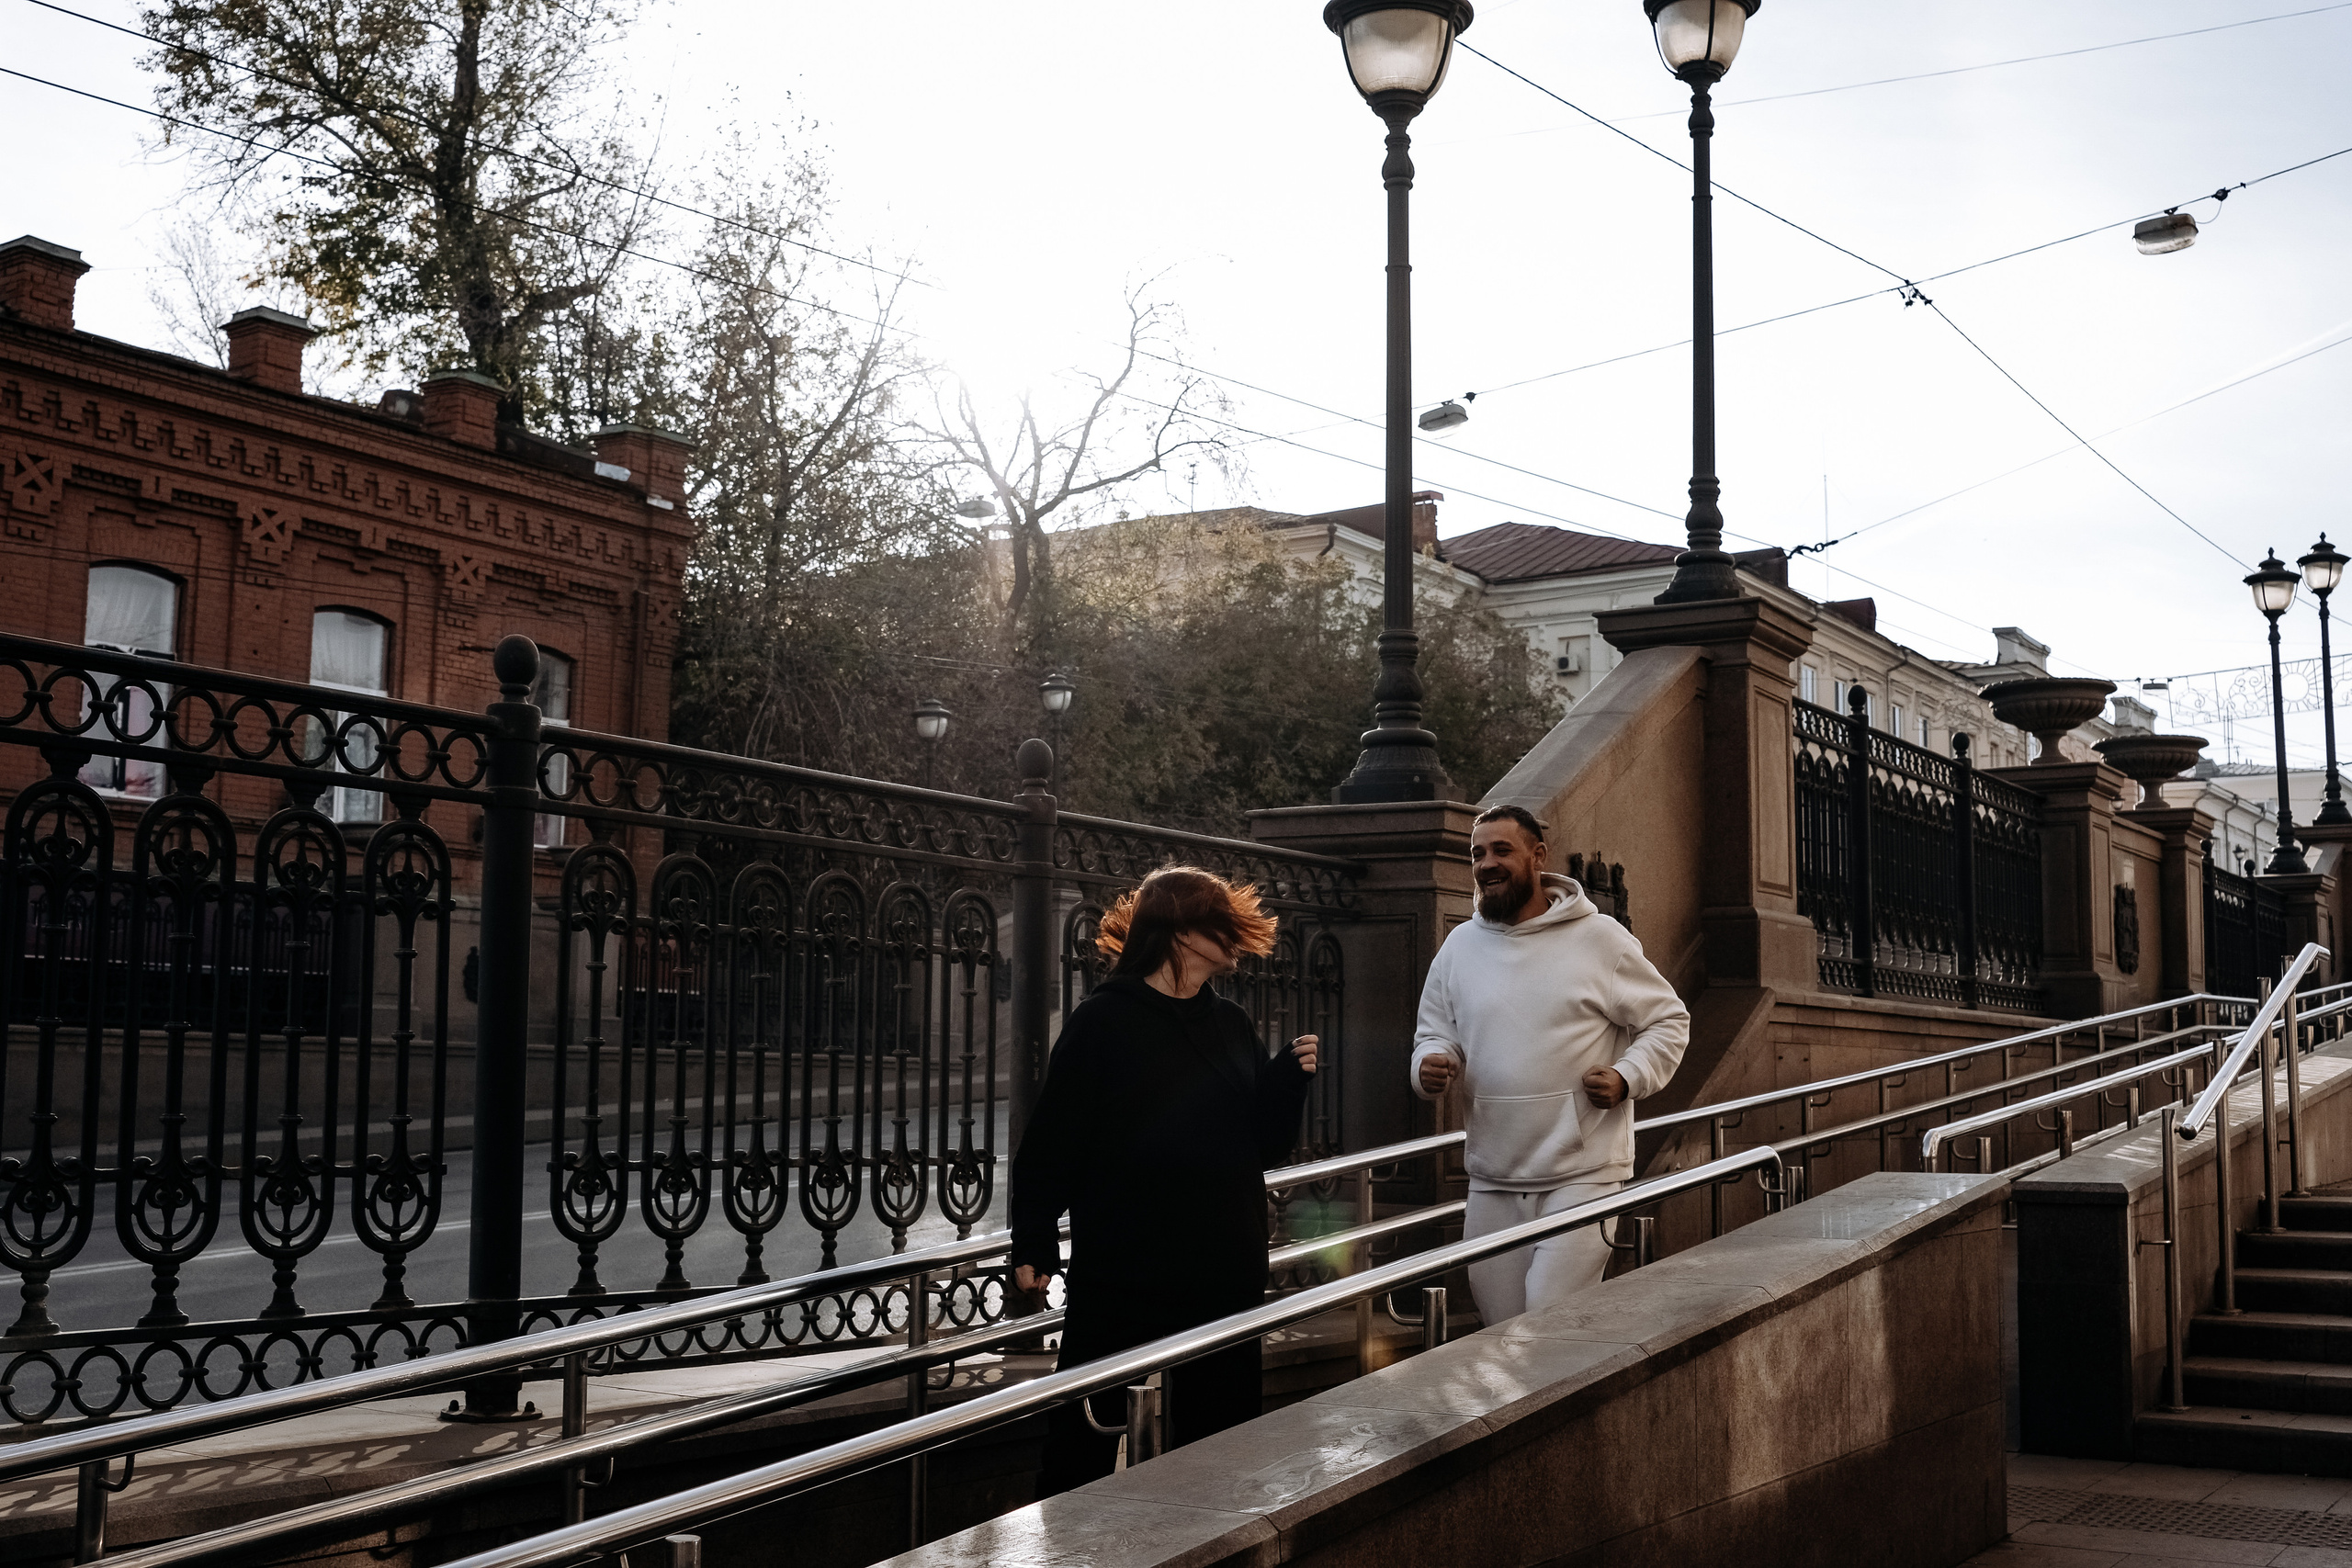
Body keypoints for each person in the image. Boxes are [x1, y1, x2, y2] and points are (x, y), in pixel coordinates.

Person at [1009, 865, 1319, 1496]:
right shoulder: (1102, 1023)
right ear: (1178, 931)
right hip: (1126, 1280)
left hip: (1222, 1281)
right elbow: (1051, 1144)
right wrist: (1033, 1241)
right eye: (1219, 922)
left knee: (1218, 1463)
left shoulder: (1230, 1023)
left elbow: (1260, 1145)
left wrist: (1287, 1083)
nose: (1235, 935)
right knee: (1079, 1457)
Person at [1409, 804, 1689, 1326]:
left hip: (1584, 1173)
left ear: (1538, 857)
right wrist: (1430, 1063)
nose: (1486, 863)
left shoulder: (1600, 939)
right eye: (1477, 853)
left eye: (1501, 850)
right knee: (1501, 1329)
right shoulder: (1458, 948)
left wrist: (1628, 1076)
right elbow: (1433, 1032)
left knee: (1546, 1321)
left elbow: (1668, 1020)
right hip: (1493, 1173)